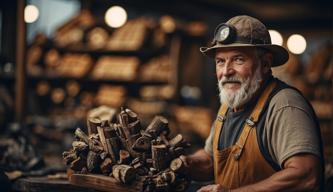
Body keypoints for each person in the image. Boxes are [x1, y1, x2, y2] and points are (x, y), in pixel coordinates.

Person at [182, 15, 324, 191]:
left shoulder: (284, 105)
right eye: (220, 62)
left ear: (265, 64)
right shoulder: (229, 104)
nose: (226, 71)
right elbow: (212, 161)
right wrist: (186, 164)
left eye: (238, 59)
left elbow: (306, 176)